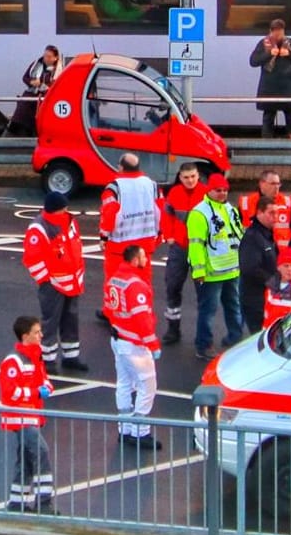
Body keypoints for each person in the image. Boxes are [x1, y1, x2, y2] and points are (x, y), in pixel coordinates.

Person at [21, 191, 88, 373]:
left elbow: (76, 246)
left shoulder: (70, 221)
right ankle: (48, 360)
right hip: (54, 284)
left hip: (72, 281)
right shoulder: (39, 228)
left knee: (71, 319)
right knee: (51, 322)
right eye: (63, 208)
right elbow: (32, 259)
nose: (67, 210)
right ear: (55, 209)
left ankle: (71, 356)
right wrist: (47, 281)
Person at [104, 244, 162, 451]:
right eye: (144, 256)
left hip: (118, 339)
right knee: (147, 386)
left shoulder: (114, 279)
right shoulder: (135, 285)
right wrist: (153, 344)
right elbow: (142, 319)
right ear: (135, 260)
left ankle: (125, 429)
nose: (146, 259)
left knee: (124, 384)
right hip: (134, 344)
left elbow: (107, 309)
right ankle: (140, 432)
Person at [0, 315, 55, 514]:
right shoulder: (13, 361)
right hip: (20, 418)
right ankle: (44, 502)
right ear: (25, 336)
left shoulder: (34, 356)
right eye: (36, 332)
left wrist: (46, 387)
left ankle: (16, 503)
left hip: (30, 416)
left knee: (26, 460)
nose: (41, 335)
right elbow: (10, 393)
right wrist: (36, 392)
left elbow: (44, 380)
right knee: (41, 452)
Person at [186, 174, 244, 361]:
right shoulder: (199, 213)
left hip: (231, 269)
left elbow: (238, 234)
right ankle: (203, 345)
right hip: (211, 273)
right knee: (208, 310)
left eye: (225, 190)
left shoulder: (229, 209)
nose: (222, 193)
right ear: (209, 190)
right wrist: (199, 271)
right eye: (218, 190)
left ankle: (235, 338)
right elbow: (195, 245)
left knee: (233, 306)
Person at [157, 162, 206, 345]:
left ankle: (202, 335)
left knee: (203, 293)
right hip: (179, 248)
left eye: (193, 176)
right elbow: (167, 216)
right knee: (172, 287)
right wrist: (168, 235)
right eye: (186, 177)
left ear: (198, 175)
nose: (190, 180)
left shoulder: (206, 194)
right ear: (180, 177)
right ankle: (173, 330)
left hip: (200, 250)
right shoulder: (175, 193)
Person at [98, 153, 159, 290]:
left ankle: (114, 311)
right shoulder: (152, 185)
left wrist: (103, 237)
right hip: (145, 245)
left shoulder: (114, 188)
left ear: (120, 167)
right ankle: (143, 309)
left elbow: (109, 214)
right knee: (143, 283)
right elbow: (160, 211)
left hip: (119, 247)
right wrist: (159, 235)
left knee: (115, 284)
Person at [236, 192, 281, 336]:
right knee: (260, 336)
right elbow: (250, 268)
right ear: (259, 213)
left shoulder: (266, 234)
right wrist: (274, 282)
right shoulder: (253, 237)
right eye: (271, 213)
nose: (275, 217)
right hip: (255, 299)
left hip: (264, 297)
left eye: (277, 213)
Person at [249, 19, 291, 138]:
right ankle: (266, 144)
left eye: (281, 32)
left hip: (287, 86)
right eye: (276, 32)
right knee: (268, 117)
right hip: (269, 87)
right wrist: (269, 53)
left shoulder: (290, 43)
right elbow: (253, 61)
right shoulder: (263, 43)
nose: (279, 35)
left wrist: (289, 54)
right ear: (271, 31)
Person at [5, 45, 61, 137]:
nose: (46, 58)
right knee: (20, 116)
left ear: (55, 58)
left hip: (44, 99)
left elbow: (55, 86)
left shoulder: (58, 71)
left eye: (49, 56)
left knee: (37, 122)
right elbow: (25, 77)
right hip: (30, 96)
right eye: (45, 55)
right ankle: (11, 137)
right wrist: (32, 82)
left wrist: (42, 85)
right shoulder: (36, 64)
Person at [237, 169, 291, 248]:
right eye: (273, 184)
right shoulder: (246, 203)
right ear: (262, 184)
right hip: (254, 252)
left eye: (278, 184)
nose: (276, 187)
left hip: (280, 254)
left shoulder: (286, 203)